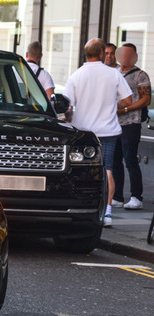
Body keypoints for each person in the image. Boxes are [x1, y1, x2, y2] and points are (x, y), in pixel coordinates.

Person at [63, 38, 132, 227]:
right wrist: (111, 106)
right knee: (107, 169)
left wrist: (70, 116)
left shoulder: (76, 76)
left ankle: (79, 208)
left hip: (83, 132)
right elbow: (128, 100)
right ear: (101, 53)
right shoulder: (114, 74)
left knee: (80, 170)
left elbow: (67, 107)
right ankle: (108, 212)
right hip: (108, 131)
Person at [112, 43, 151, 210]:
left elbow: (146, 99)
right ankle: (117, 196)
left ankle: (136, 196)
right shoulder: (112, 73)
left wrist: (126, 109)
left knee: (130, 160)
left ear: (135, 55)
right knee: (114, 161)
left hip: (131, 123)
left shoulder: (140, 75)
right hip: (113, 124)